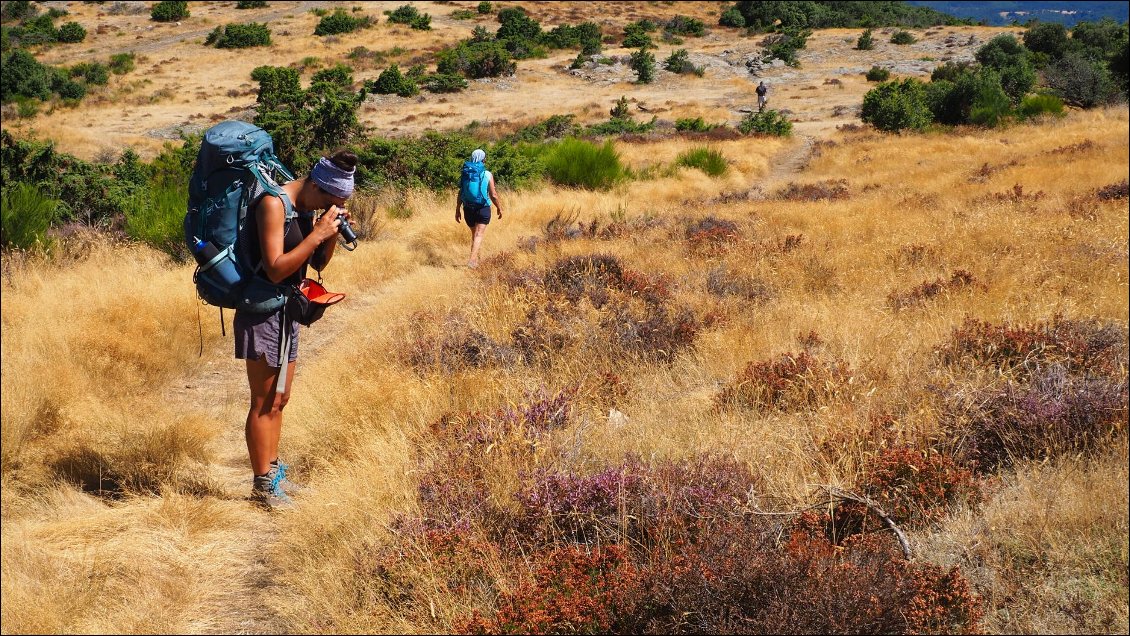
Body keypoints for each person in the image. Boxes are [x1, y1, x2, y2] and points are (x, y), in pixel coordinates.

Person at [234, 150, 356, 510]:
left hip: (288, 310)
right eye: (331, 200)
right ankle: (262, 486)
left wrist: (328, 234)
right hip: (262, 311)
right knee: (263, 400)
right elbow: (274, 268)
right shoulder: (273, 205)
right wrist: (317, 233)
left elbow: (315, 262)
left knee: (281, 399)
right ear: (317, 184)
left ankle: (273, 475)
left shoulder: (306, 210)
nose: (330, 206)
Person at [455, 148, 504, 268]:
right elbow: (493, 194)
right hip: (482, 208)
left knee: (475, 234)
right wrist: (499, 208)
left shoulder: (466, 174)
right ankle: (472, 261)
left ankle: (476, 260)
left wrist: (457, 210)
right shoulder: (487, 174)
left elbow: (461, 192)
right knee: (479, 235)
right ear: (484, 159)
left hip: (467, 209)